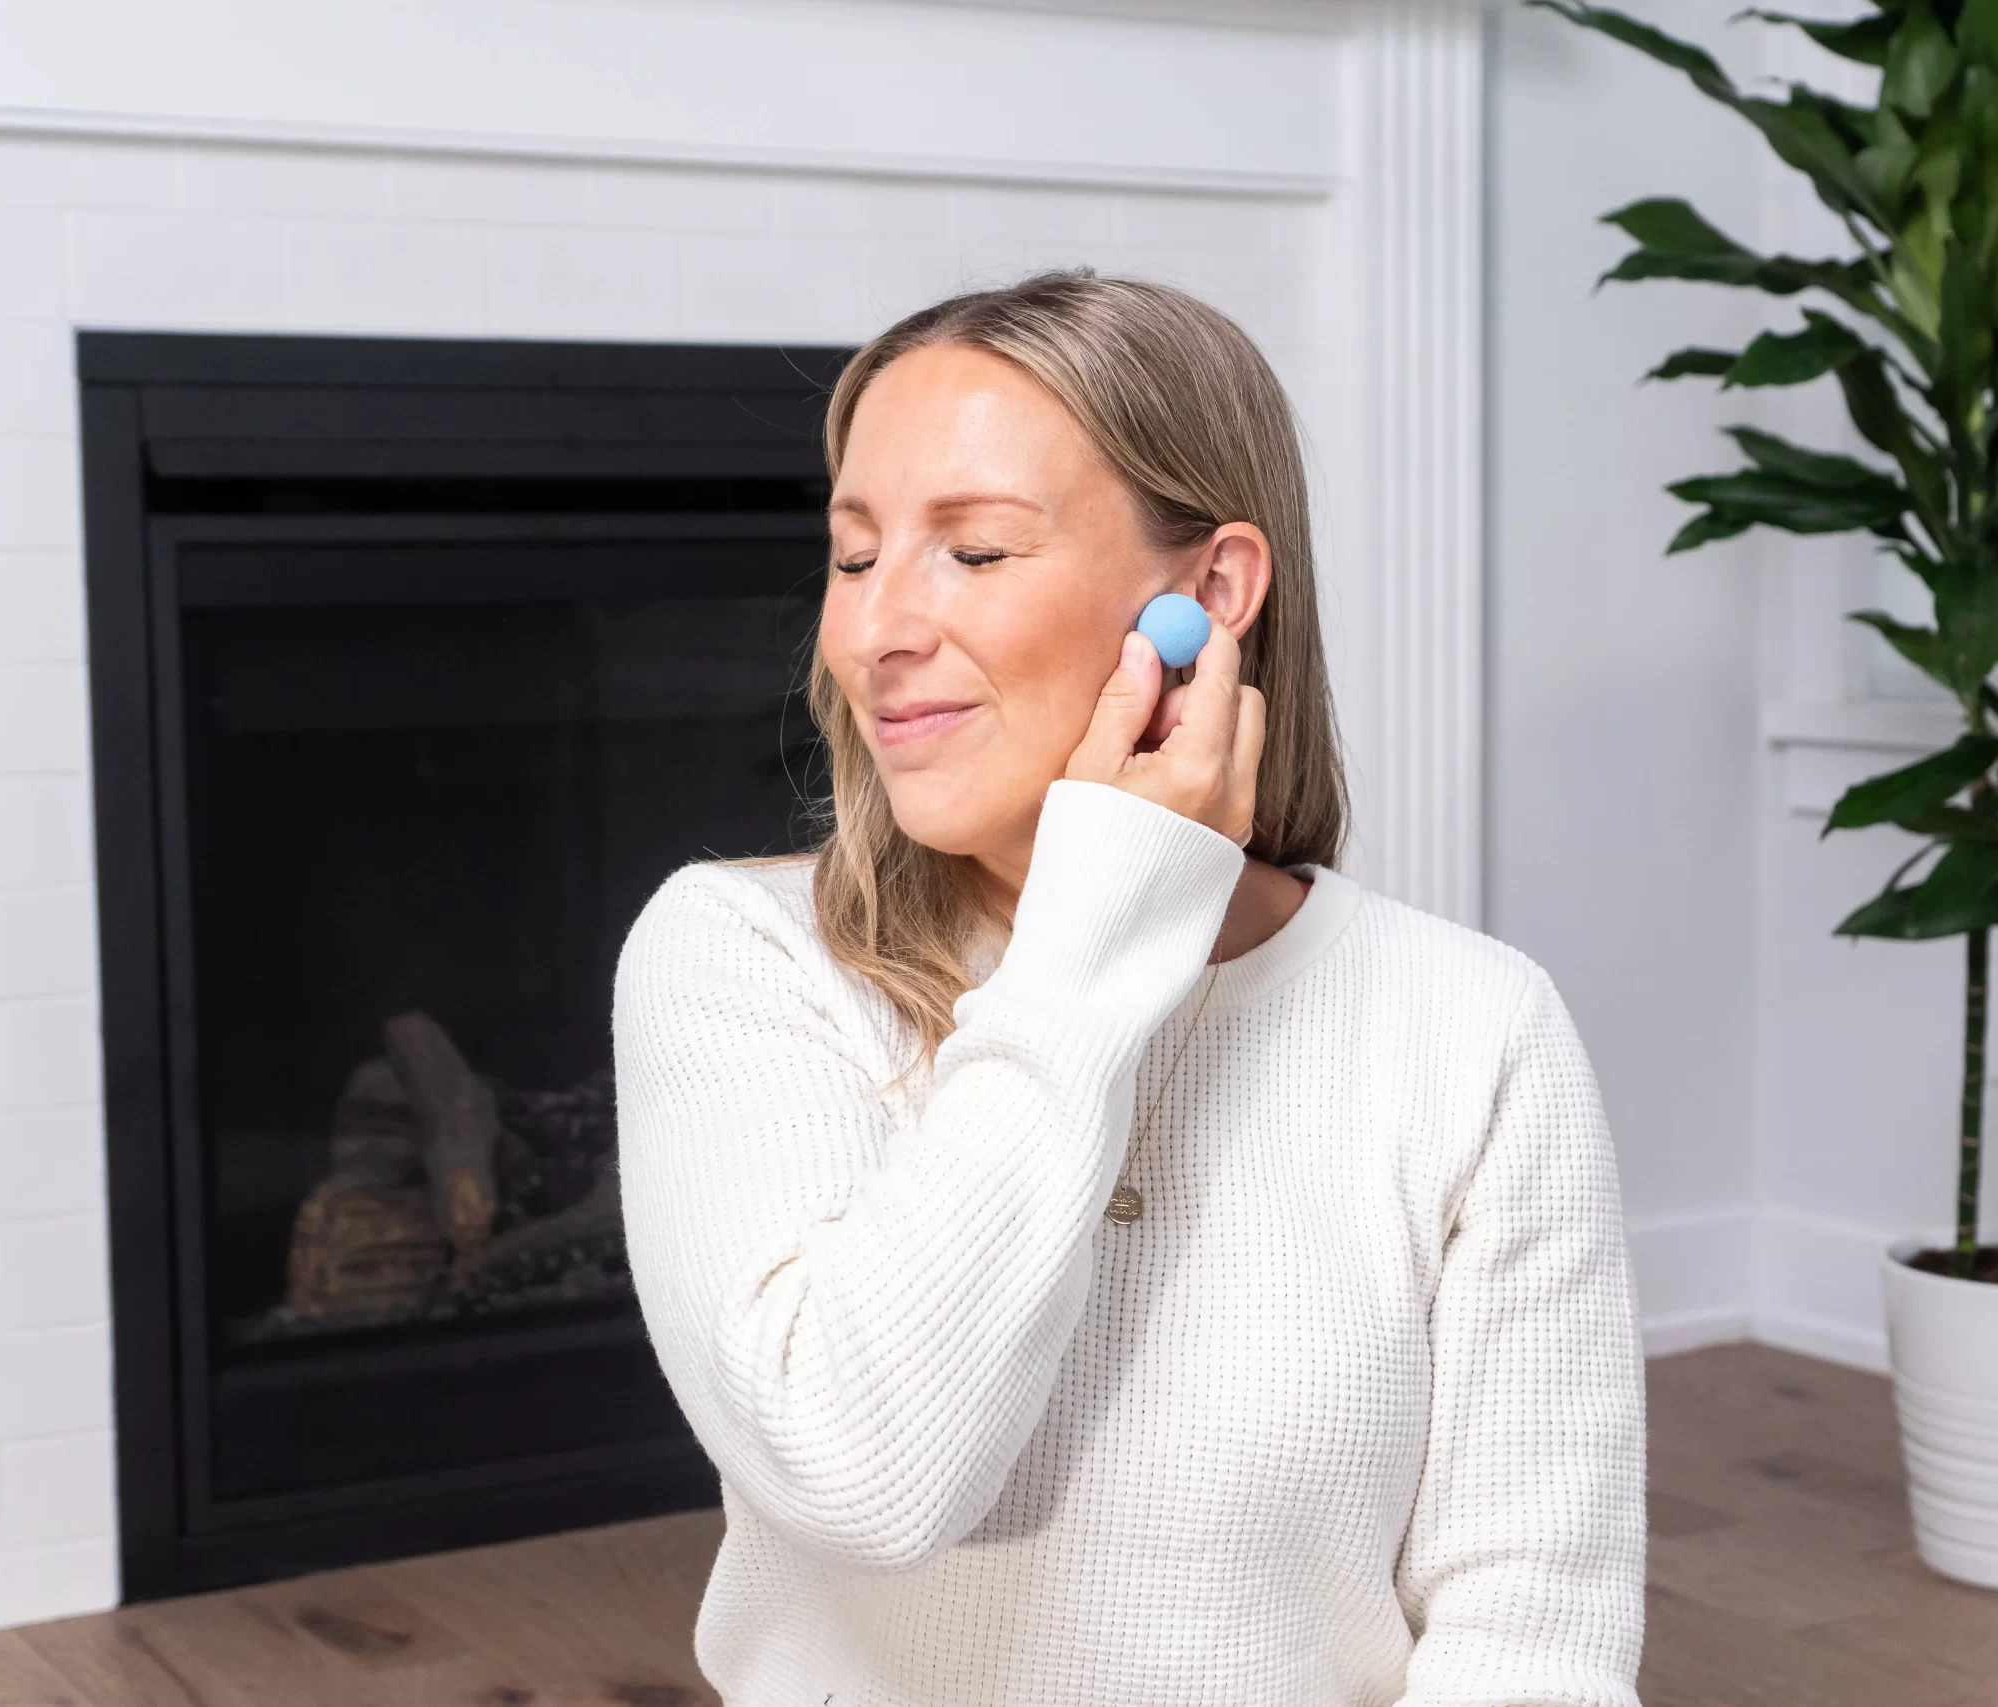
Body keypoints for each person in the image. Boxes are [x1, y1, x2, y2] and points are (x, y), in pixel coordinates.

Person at [612, 269, 1646, 1706]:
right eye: (854, 557)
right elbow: (859, 1470)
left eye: (972, 551)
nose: (874, 633)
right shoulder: (739, 959)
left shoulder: (1473, 1028)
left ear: (1208, 594)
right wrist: (1093, 940)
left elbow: (1531, 1636)